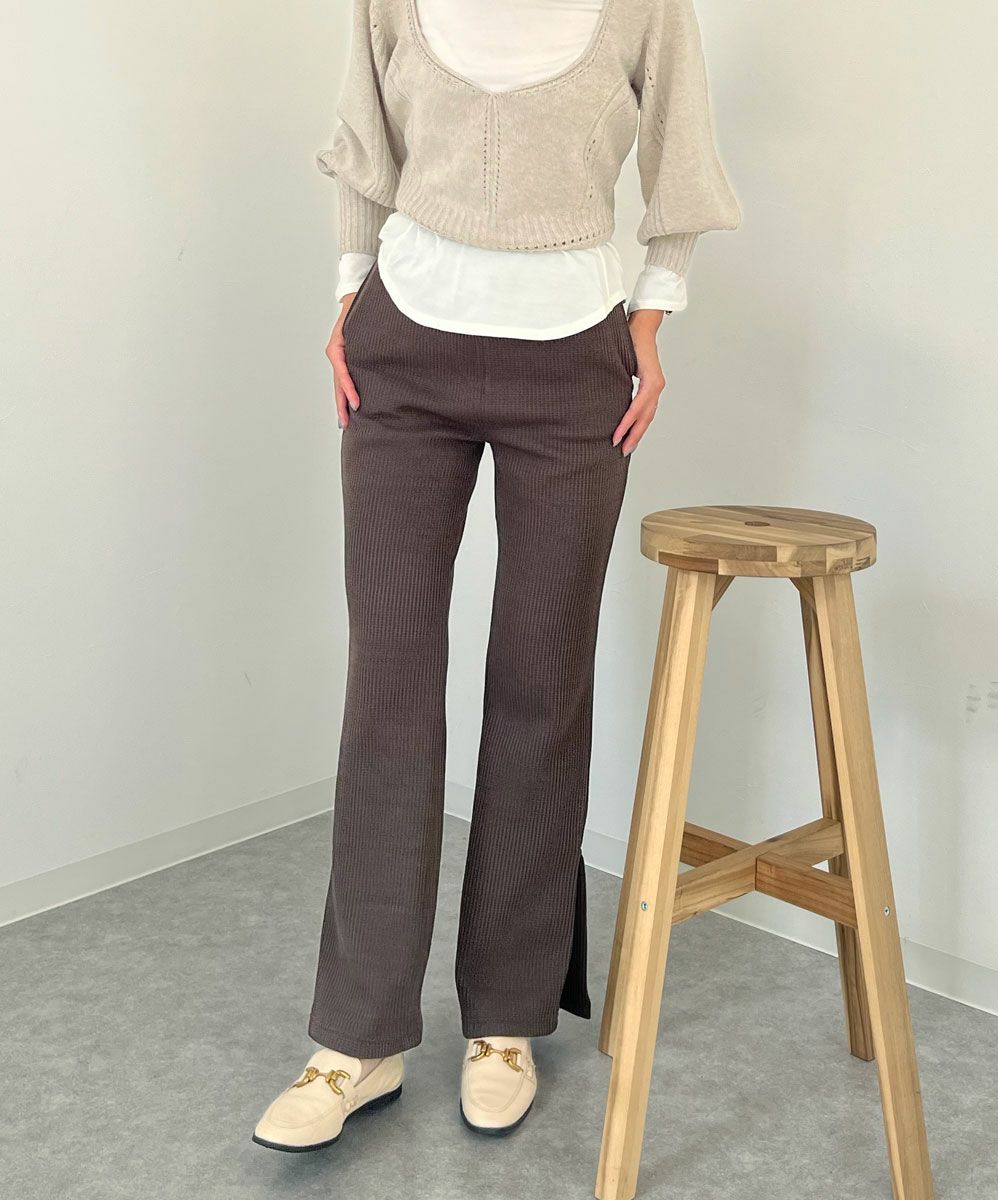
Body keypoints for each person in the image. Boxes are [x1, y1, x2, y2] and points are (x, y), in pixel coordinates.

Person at [253, 0, 739, 1151]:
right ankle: (357, 1037)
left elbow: (681, 159)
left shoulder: (644, 9)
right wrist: (347, 292)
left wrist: (654, 314)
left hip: (576, 362)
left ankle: (508, 1019)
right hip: (402, 354)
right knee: (388, 687)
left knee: (539, 682)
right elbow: (364, 150)